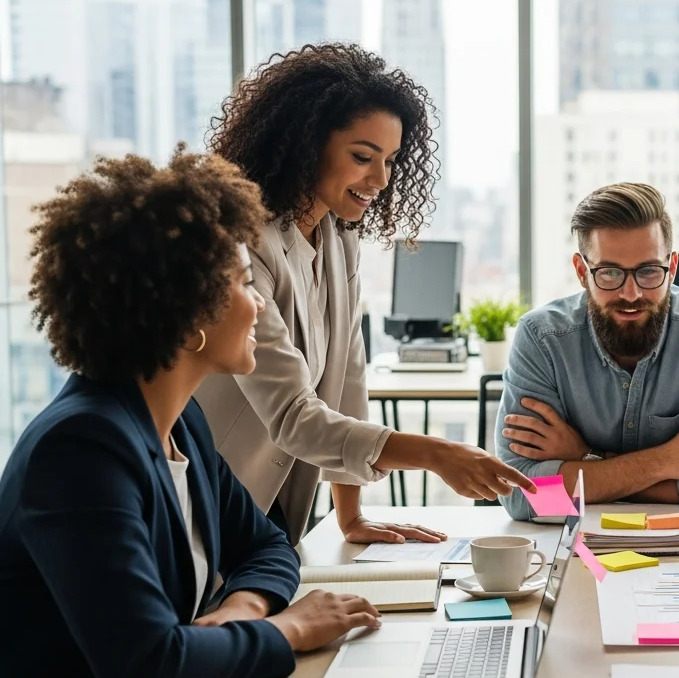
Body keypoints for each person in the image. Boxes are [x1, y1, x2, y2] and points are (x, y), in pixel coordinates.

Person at [0, 152, 383, 678]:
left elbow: (267, 545)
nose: (257, 303)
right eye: (239, 283)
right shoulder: (79, 452)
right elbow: (147, 667)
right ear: (186, 312)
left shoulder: (182, 424)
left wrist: (244, 607)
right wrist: (290, 627)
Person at [201, 43, 533, 545]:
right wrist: (435, 454)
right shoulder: (248, 243)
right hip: (217, 502)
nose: (380, 179)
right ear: (307, 144)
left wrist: (350, 517)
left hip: (277, 516)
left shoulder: (339, 236)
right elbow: (293, 415)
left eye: (391, 161)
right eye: (362, 157)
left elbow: (348, 377)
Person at [494, 182, 679, 519]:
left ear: (672, 268)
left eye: (648, 271)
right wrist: (669, 460)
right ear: (582, 271)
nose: (630, 294)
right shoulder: (542, 338)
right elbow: (519, 496)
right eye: (610, 272)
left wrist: (587, 459)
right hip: (574, 556)